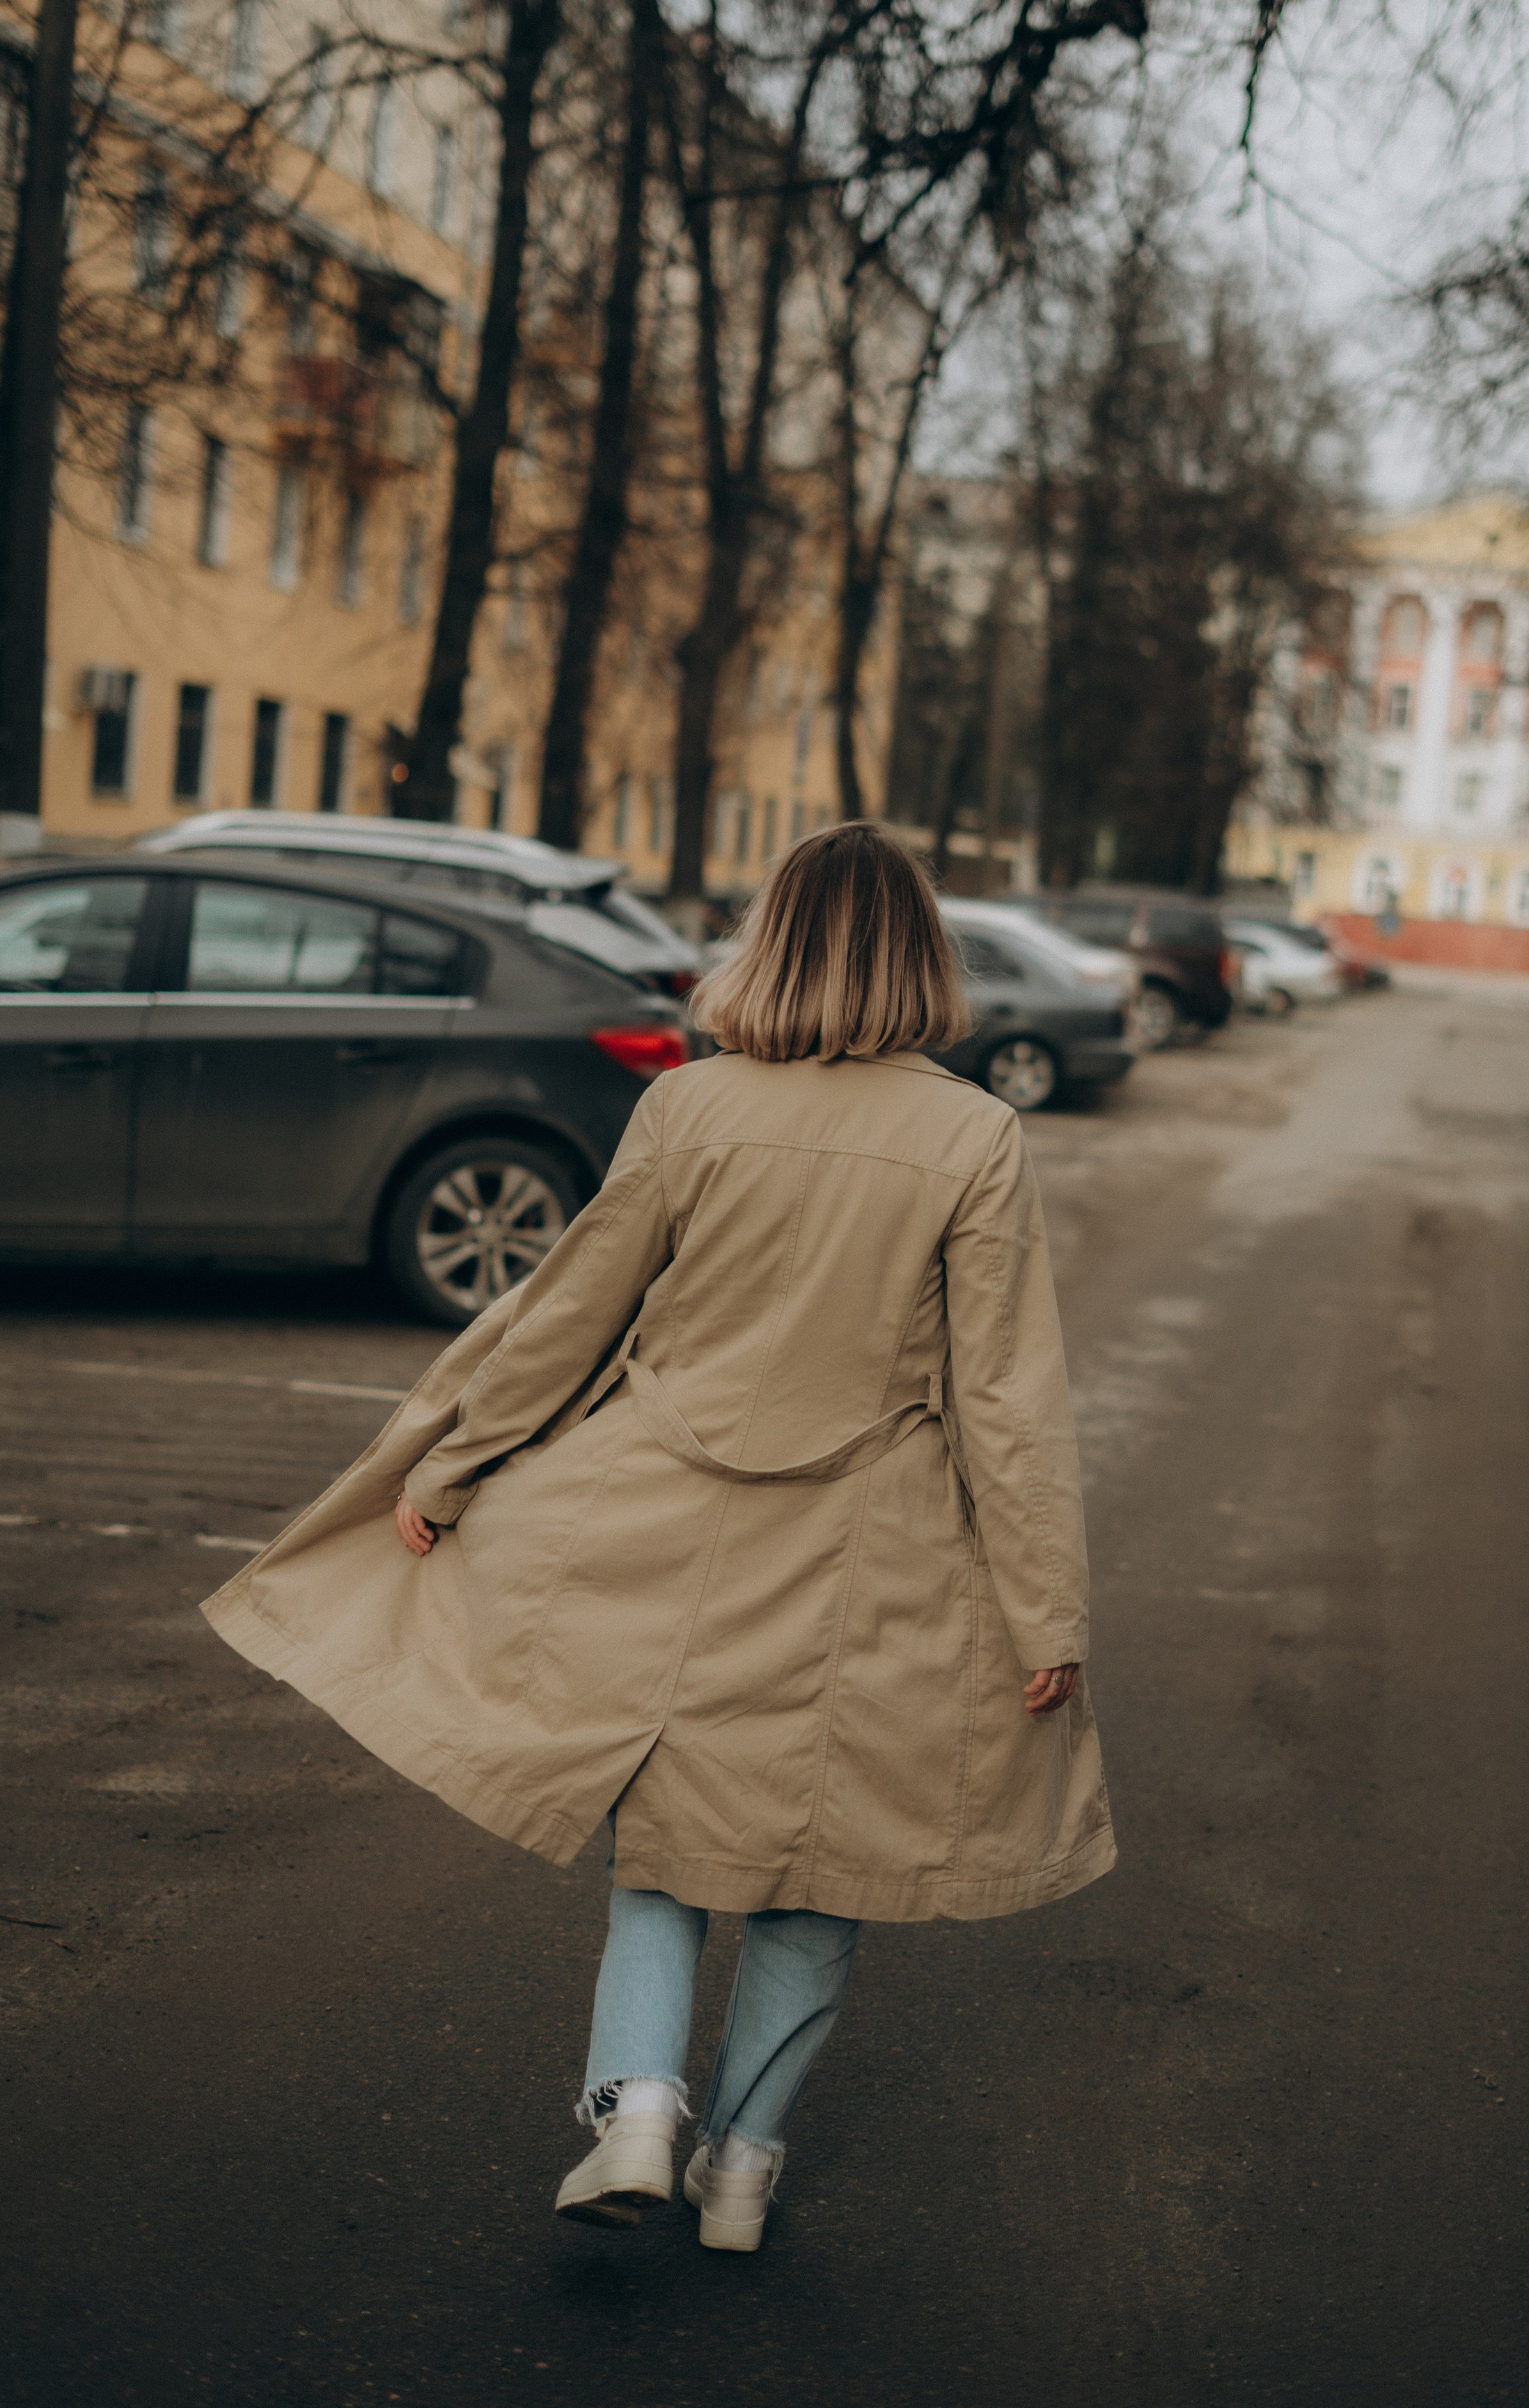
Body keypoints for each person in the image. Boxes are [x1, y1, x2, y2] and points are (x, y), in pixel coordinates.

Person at [203, 822, 1113, 2255]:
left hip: (658, 1527)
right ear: (923, 957)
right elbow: (1002, 1395)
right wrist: (1044, 1613)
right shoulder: (971, 1136)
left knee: (667, 1855)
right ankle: (741, 2169)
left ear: (773, 940)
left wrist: (450, 1468)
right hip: (862, 1564)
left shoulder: (689, 1111)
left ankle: (635, 2109)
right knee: (819, 1870)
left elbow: (563, 1314)